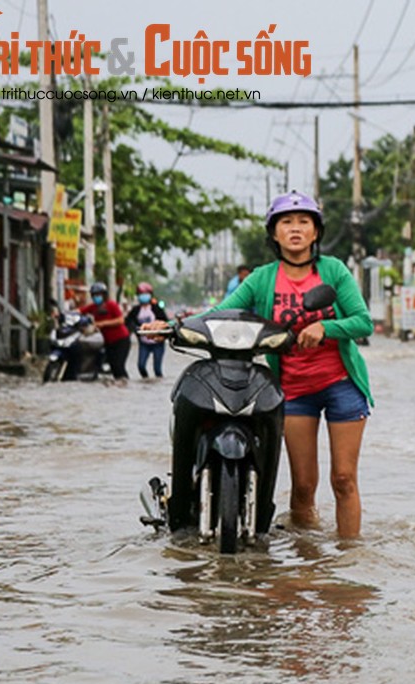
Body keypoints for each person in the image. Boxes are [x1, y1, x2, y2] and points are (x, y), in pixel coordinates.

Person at [146, 191, 374, 537]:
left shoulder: (334, 271)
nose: (295, 229)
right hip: (294, 390)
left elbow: (363, 322)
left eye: (304, 222)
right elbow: (221, 313)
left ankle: (348, 560)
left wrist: (326, 327)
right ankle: (307, 565)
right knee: (303, 487)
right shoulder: (262, 278)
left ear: (316, 232)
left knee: (343, 479)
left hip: (341, 384)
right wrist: (171, 327)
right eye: (286, 222)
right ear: (273, 233)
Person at [80, 281, 131, 385]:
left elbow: (120, 320)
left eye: (98, 295)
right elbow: (79, 311)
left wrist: (102, 324)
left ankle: (125, 383)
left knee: (118, 365)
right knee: (113, 366)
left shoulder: (111, 305)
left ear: (104, 295)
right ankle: (119, 385)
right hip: (108, 342)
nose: (96, 297)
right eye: (94, 295)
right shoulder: (93, 307)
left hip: (121, 340)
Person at [124, 282, 169, 379]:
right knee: (141, 366)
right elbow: (128, 322)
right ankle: (146, 380)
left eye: (145, 294)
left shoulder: (156, 308)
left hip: (157, 343)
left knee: (157, 369)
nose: (143, 296)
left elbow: (166, 322)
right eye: (141, 294)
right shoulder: (135, 310)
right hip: (144, 343)